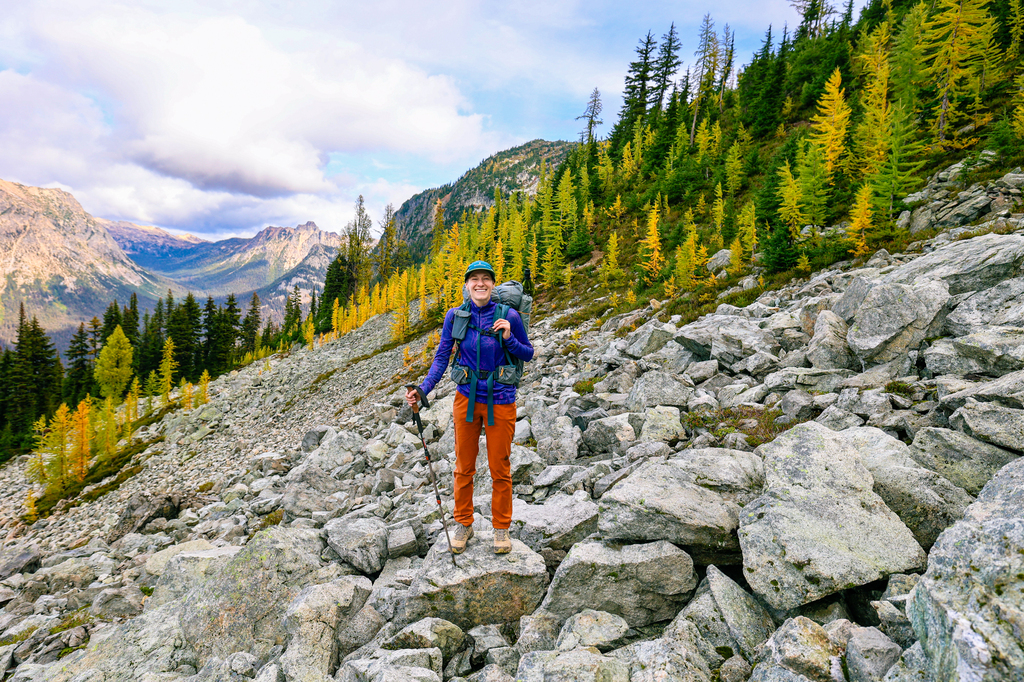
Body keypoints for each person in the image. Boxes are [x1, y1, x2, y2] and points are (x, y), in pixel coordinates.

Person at [406, 261, 533, 554]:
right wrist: (422, 390)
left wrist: (509, 338)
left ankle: (501, 529)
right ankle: (463, 523)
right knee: (463, 467)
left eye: (485, 279)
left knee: (499, 467)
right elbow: (441, 358)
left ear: (492, 284)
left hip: (501, 399)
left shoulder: (509, 315)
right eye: (474, 279)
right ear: (466, 285)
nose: (480, 284)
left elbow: (528, 352)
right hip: (466, 398)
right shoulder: (456, 316)